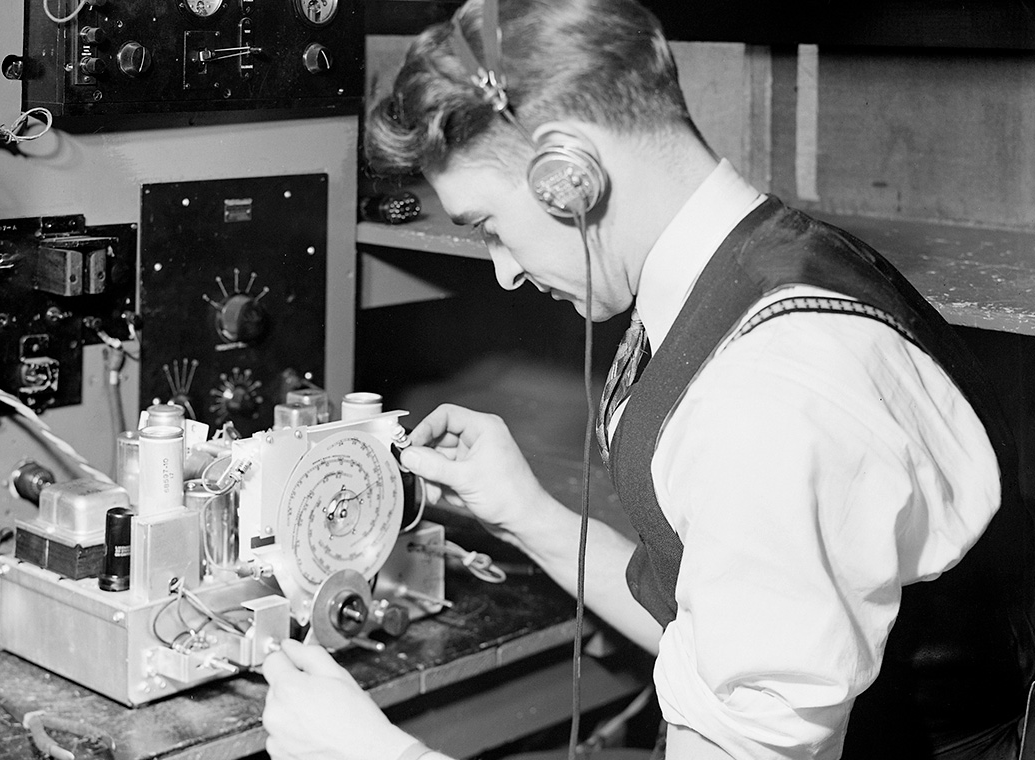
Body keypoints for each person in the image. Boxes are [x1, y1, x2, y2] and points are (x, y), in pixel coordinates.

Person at [260, 0, 1035, 758]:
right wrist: (526, 514)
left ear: (569, 171)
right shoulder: (760, 263)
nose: (503, 272)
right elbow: (710, 635)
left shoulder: (765, 394)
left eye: (489, 226)